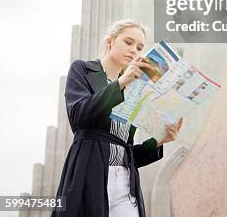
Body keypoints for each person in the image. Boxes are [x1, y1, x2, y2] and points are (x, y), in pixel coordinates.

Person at [52, 20, 183, 217]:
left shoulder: (134, 90)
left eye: (140, 47)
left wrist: (158, 141)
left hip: (125, 183)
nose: (134, 51)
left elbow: (125, 151)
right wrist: (121, 83)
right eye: (128, 42)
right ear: (110, 42)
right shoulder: (82, 70)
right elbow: (79, 116)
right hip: (89, 176)